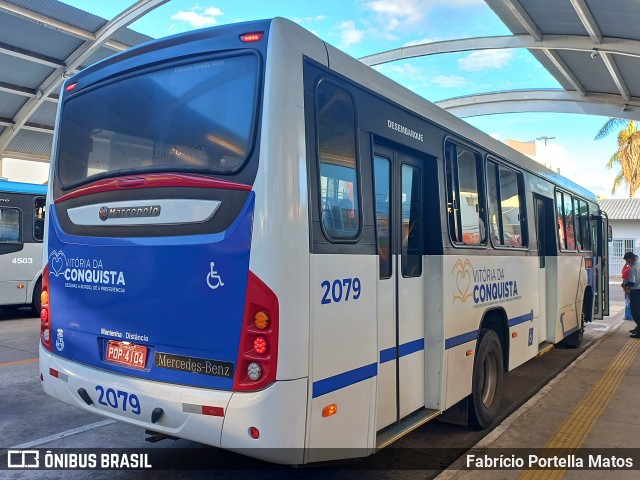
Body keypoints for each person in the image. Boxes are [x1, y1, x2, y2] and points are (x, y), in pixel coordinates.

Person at [622, 252, 640, 338]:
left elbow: (632, 283)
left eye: (627, 260)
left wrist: (625, 285)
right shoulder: (639, 264)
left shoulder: (633, 268)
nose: (627, 262)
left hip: (635, 291)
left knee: (635, 312)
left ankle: (639, 332)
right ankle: (638, 328)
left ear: (629, 259)